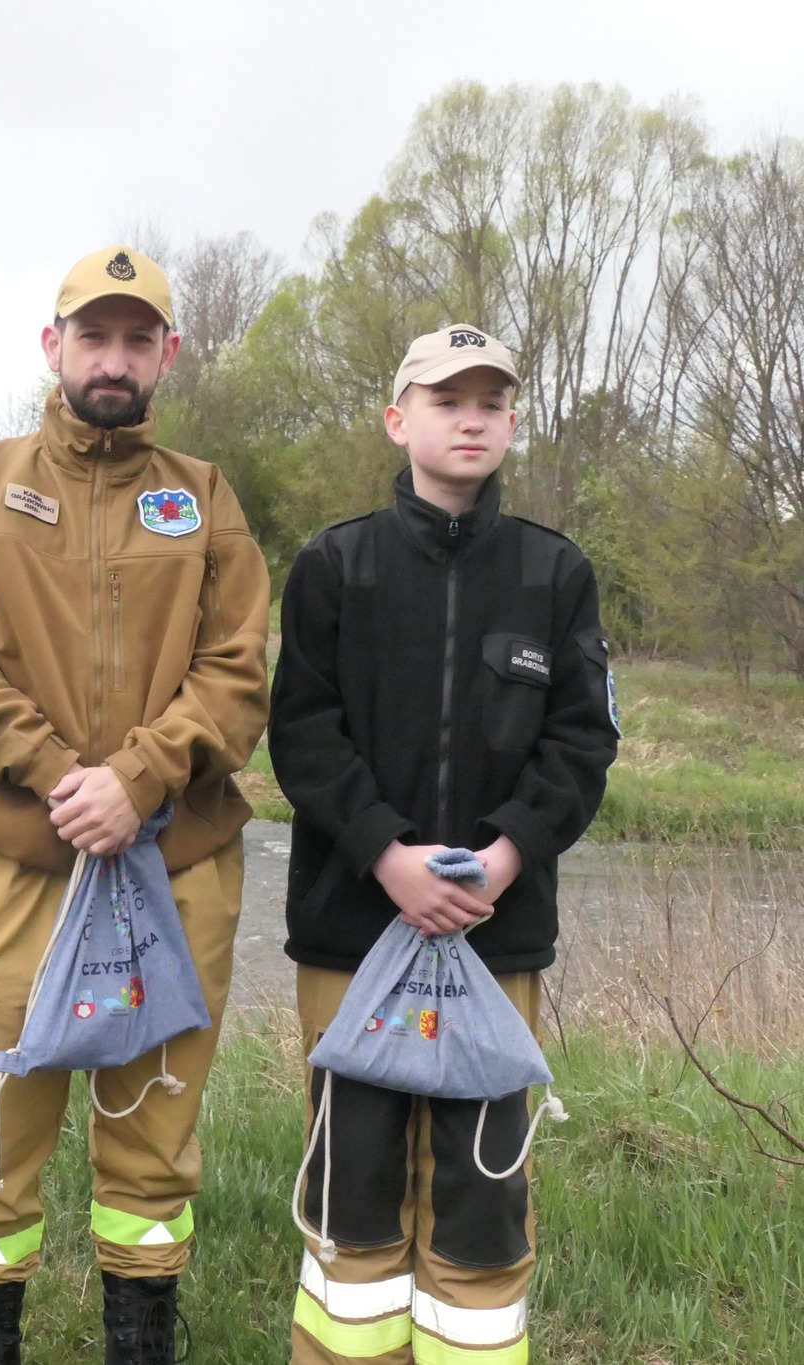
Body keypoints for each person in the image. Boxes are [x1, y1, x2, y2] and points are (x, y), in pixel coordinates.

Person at [0, 245, 270, 1365]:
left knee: (152, 1144)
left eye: (136, 339)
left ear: (168, 354)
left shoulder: (205, 500)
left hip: (175, 863)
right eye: (92, 336)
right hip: (10, 863)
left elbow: (237, 671)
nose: (113, 359)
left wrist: (138, 780)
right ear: (51, 346)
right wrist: (59, 774)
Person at [268, 325, 619, 1363]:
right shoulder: (333, 565)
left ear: (510, 424)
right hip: (351, 933)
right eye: (445, 399)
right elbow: (302, 734)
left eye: (490, 402)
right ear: (397, 419)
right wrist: (387, 856)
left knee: (481, 1199)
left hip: (492, 938)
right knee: (351, 1191)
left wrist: (501, 859)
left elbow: (581, 744)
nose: (471, 419)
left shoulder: (555, 573)